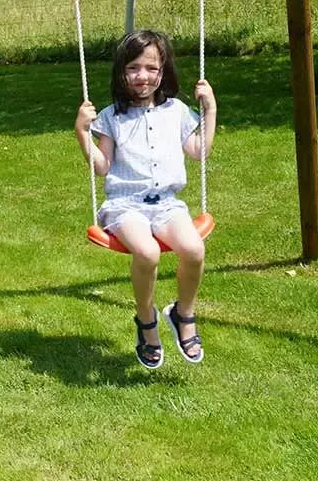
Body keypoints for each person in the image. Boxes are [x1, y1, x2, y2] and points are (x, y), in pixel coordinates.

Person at [75, 29, 216, 369]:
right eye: (134, 68)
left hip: (166, 204)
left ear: (164, 70)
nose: (143, 76)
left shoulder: (177, 111)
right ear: (122, 72)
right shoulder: (112, 117)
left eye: (151, 68)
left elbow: (199, 151)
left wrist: (210, 108)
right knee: (148, 252)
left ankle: (183, 314)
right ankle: (146, 320)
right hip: (125, 206)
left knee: (195, 249)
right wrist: (82, 132)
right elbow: (102, 167)